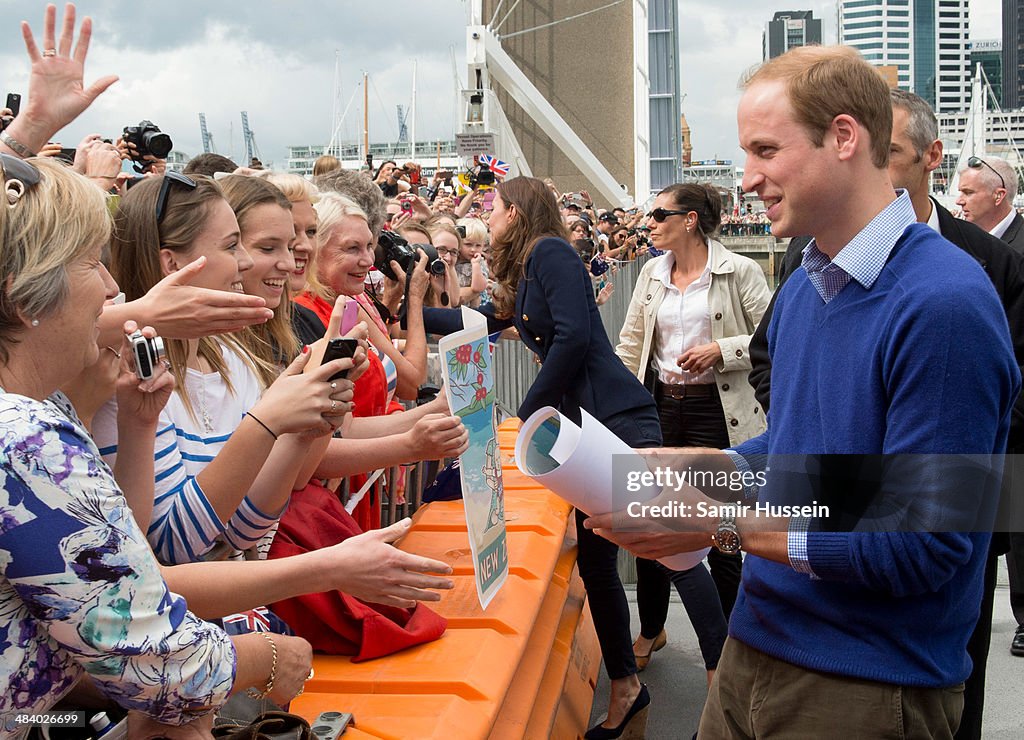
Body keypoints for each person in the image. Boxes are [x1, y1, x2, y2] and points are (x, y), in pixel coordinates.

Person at [587, 45, 1018, 738]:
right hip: (755, 650)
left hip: (868, 684)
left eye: (764, 150)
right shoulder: (805, 287)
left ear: (845, 137)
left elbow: (926, 543)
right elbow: (800, 454)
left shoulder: (946, 306)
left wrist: (717, 524)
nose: (746, 178)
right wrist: (704, 469)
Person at [0, 154, 301, 727]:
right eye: (92, 264)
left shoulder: (49, 412)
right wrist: (271, 657)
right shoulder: (24, 443)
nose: (114, 287)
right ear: (23, 295)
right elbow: (160, 663)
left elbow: (119, 555)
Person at [425, 176, 660, 739]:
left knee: (662, 543)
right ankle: (628, 689)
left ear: (515, 211)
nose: (487, 215)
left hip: (614, 418)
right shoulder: (530, 268)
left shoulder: (551, 252)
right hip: (585, 427)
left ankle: (719, 677)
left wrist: (530, 411)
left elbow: (574, 339)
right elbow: (489, 324)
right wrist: (404, 312)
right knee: (601, 559)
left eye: (494, 207)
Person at [616, 183, 770, 683]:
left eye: (659, 214)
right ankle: (652, 628)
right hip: (660, 407)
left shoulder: (738, 270)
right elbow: (632, 342)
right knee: (653, 518)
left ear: (689, 220)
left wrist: (720, 350)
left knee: (720, 529)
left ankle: (734, 642)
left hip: (717, 412)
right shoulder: (650, 273)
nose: (649, 223)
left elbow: (771, 338)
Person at [956, 154, 1024, 251]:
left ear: (998, 196)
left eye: (968, 193)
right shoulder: (962, 240)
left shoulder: (1019, 251)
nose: (959, 201)